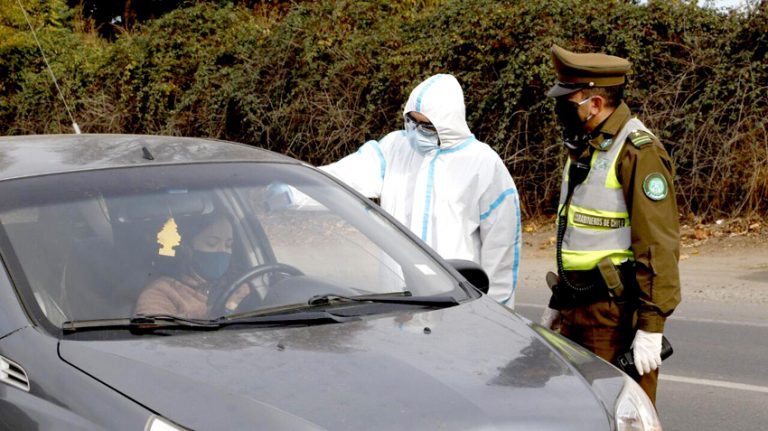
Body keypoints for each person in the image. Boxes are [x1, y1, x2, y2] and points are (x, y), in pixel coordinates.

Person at [539, 45, 681, 404]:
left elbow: (658, 243)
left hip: (612, 317)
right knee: (576, 413)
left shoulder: (637, 150)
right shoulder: (586, 146)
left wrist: (651, 327)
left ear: (596, 103)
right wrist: (560, 300)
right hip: (576, 306)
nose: (561, 111)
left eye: (568, 102)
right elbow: (579, 236)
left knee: (618, 414)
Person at [319, 73, 521, 306]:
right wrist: (290, 190)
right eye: (411, 122)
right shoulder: (395, 148)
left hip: (456, 304)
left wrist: (496, 309)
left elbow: (502, 247)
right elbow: (342, 178)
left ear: (447, 124)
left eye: (425, 125)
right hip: (398, 303)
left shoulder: (482, 165)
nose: (415, 132)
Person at [135, 212, 247, 318]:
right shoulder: (160, 292)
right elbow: (155, 334)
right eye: (211, 244)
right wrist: (225, 308)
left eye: (228, 245)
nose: (222, 251)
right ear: (186, 247)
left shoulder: (237, 284)